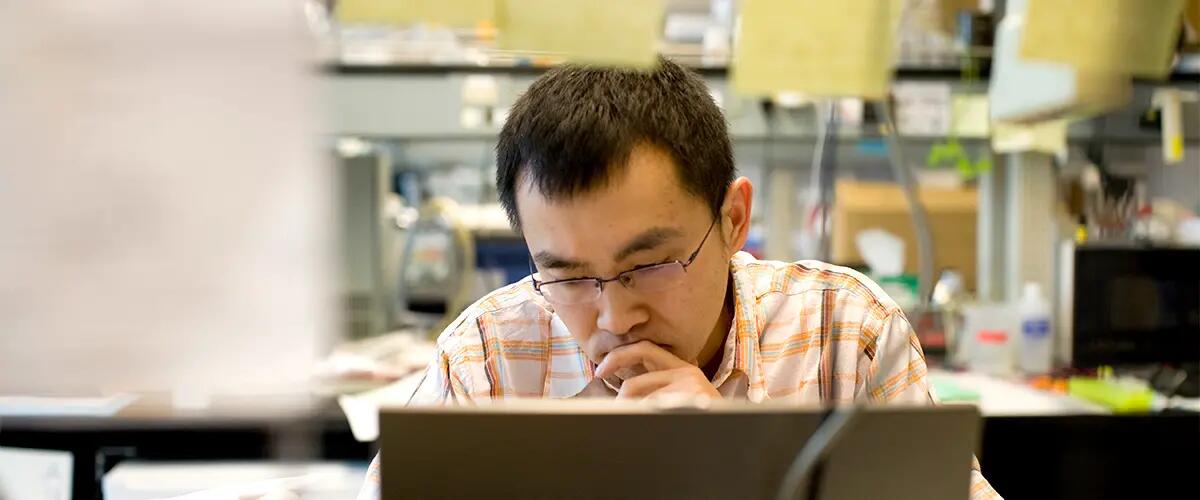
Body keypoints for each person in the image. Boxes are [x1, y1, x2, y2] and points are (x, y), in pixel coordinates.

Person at [358, 57, 1001, 500]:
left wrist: (728, 464)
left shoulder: (846, 333)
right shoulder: (487, 360)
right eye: (570, 277)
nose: (614, 319)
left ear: (732, 219)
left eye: (649, 266)